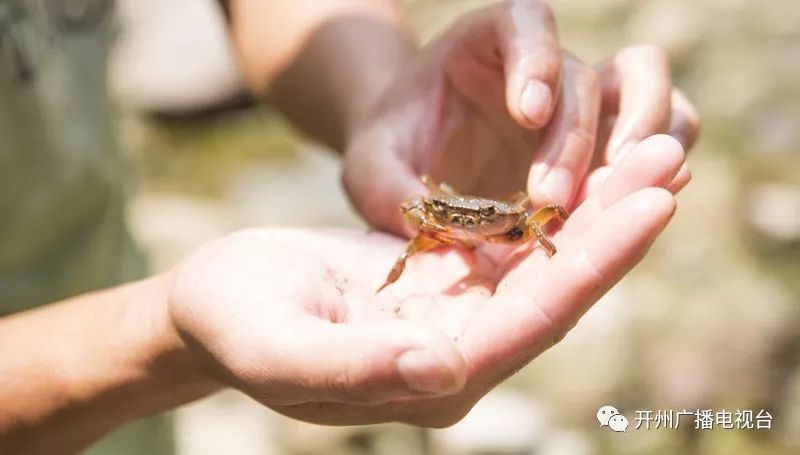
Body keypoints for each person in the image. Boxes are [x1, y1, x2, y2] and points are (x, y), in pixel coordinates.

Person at [0, 0, 699, 453]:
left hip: (133, 419)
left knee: (535, 201)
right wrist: (153, 336)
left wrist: (386, 105)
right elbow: (428, 214)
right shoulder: (435, 224)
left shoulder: (479, 214)